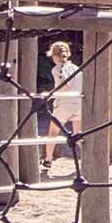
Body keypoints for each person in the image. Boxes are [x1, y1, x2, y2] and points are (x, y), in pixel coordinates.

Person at [40, 39, 82, 178]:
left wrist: (50, 94)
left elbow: (65, 85)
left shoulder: (56, 69)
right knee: (78, 134)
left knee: (53, 133)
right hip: (78, 103)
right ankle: (88, 157)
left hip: (65, 104)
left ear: (54, 55)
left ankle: (48, 160)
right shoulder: (76, 68)